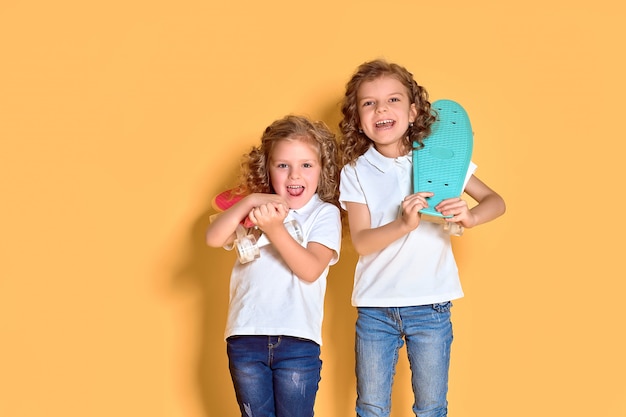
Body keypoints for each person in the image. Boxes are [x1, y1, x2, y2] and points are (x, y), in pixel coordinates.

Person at [338, 59, 506, 417]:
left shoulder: (439, 159)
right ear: (357, 117)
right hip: (375, 307)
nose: (381, 109)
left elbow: (496, 201)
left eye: (393, 100)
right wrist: (403, 224)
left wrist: (471, 216)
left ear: (413, 111)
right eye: (369, 103)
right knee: (370, 407)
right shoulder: (355, 171)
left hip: (431, 305)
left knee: (431, 408)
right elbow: (362, 241)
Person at [205, 115, 342, 417]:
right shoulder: (256, 209)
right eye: (283, 165)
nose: (295, 175)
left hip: (297, 339)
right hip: (246, 336)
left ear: (322, 170)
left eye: (306, 165)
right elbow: (214, 238)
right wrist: (251, 200)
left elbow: (310, 269)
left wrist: (274, 228)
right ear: (267, 168)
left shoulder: (323, 213)